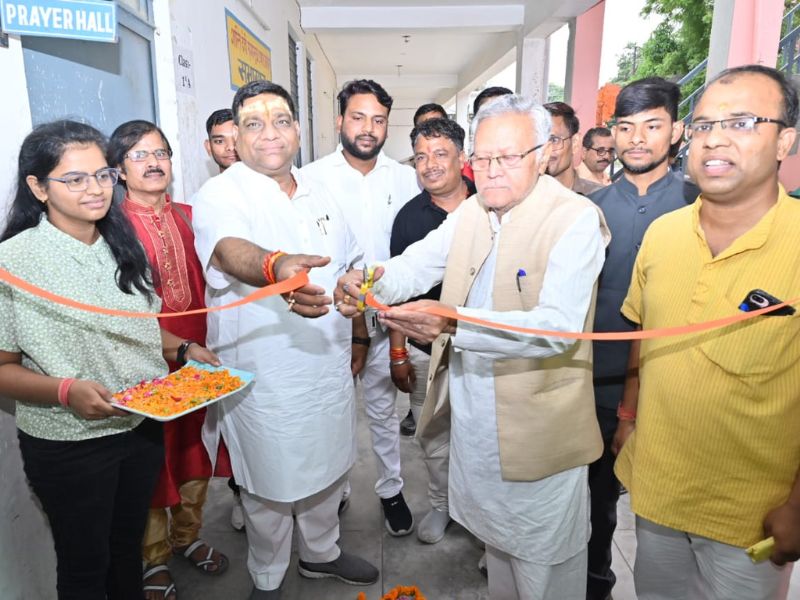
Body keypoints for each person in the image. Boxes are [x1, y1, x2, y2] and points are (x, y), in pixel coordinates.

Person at [336, 94, 610, 600]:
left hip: (538, 428)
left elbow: (556, 328)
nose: (491, 170)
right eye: (482, 158)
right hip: (475, 418)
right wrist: (368, 279)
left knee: (542, 568)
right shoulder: (474, 212)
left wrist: (450, 324)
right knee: (499, 557)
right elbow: (416, 264)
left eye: (508, 157)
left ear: (543, 154)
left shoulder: (574, 219)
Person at [0, 119, 218, 600]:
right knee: (85, 565)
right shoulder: (14, 262)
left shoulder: (121, 243)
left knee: (125, 551)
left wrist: (183, 349)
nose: (95, 189)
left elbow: (140, 326)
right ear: (38, 187)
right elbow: (2, 367)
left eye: (102, 175)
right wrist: (65, 391)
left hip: (139, 425)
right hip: (69, 441)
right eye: (74, 179)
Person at [613, 64, 800, 600]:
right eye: (704, 125)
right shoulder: (663, 234)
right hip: (659, 489)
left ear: (784, 141)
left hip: (751, 512)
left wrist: (797, 504)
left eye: (742, 122)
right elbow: (642, 335)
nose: (714, 139)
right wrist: (628, 417)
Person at [192, 80, 378, 599]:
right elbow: (229, 251)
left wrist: (354, 297)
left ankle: (322, 553)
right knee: (267, 482)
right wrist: (275, 266)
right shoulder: (221, 193)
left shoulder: (321, 191)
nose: (269, 133)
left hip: (326, 364)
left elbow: (350, 262)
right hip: (263, 375)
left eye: (280, 121)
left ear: (297, 129)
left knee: (329, 467)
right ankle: (268, 575)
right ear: (236, 136)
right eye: (253, 123)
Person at [107, 120, 231, 600]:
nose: (153, 162)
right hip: (144, 361)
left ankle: (188, 537)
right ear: (119, 170)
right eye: (139, 155)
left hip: (199, 357)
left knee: (193, 448)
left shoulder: (192, 216)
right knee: (152, 459)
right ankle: (154, 558)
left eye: (160, 153)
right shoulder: (111, 228)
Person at [584, 76, 697, 600]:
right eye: (625, 127)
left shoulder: (700, 203)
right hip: (601, 382)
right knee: (597, 503)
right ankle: (596, 586)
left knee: (673, 516)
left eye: (652, 126)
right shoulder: (590, 209)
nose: (636, 138)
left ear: (676, 131)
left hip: (679, 387)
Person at [301, 79, 419, 536]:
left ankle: (391, 489)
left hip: (387, 314)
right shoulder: (311, 179)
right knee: (333, 409)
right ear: (339, 121)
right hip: (332, 319)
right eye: (358, 117)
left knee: (383, 408)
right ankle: (337, 488)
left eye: (378, 119)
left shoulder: (405, 179)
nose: (368, 128)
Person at [388, 117, 475, 543]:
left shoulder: (489, 204)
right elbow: (399, 289)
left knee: (480, 441)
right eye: (421, 157)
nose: (430, 164)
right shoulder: (408, 218)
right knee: (435, 439)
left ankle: (480, 522)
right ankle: (442, 506)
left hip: (483, 349)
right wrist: (398, 353)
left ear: (462, 157)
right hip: (427, 350)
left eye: (441, 154)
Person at [544, 101, 603, 196]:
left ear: (575, 143)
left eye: (554, 140)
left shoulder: (599, 197)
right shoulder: (521, 197)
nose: (544, 150)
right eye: (538, 142)